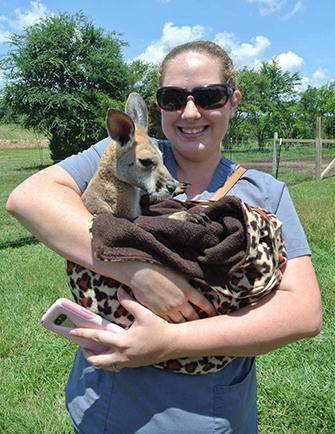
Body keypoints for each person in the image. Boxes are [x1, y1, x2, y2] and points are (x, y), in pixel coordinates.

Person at [6, 41, 322, 434]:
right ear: (158, 108)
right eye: (173, 98)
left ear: (232, 101)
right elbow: (28, 198)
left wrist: (172, 341)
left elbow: (304, 313)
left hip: (207, 414)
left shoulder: (265, 191)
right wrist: (139, 271)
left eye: (209, 96)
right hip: (108, 408)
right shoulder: (132, 151)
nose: (190, 112)